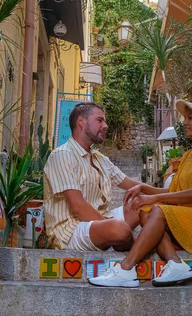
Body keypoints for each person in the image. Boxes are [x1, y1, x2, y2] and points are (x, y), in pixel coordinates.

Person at [89, 95, 192, 288]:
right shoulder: (187, 156)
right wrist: (143, 188)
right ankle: (175, 264)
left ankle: (126, 268)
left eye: (191, 118)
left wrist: (154, 197)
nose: (184, 123)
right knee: (146, 212)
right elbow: (174, 191)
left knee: (158, 209)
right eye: (185, 118)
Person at [43, 102, 141, 251]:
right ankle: (136, 249)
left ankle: (129, 243)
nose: (105, 125)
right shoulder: (62, 155)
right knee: (119, 229)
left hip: (100, 220)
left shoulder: (99, 158)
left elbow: (132, 185)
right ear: (81, 122)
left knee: (145, 205)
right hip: (70, 231)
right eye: (100, 120)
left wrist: (172, 194)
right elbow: (78, 207)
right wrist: (109, 230)